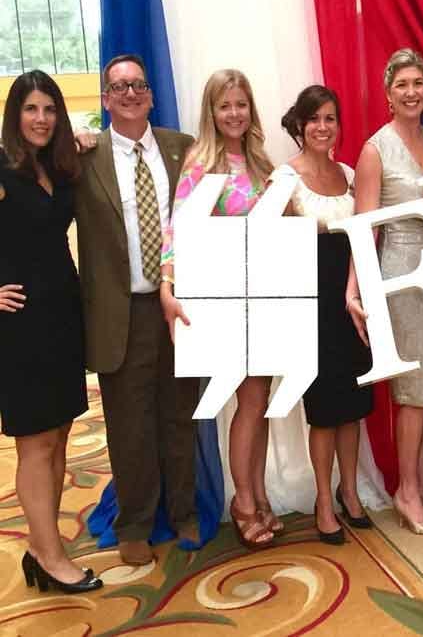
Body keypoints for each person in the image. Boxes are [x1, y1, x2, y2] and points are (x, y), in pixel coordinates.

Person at [74, 55, 200, 565]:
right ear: (106, 98)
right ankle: (135, 523)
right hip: (118, 314)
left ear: (150, 95)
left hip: (177, 309)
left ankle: (186, 512)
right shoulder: (85, 156)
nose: (130, 93)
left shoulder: (182, 148)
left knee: (179, 418)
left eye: (138, 85)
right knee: (129, 427)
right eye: (119, 87)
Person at [159, 69, 276, 548]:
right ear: (211, 112)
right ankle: (243, 502)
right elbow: (175, 232)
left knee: (261, 399)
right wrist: (168, 285)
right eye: (225, 105)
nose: (234, 114)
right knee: (247, 401)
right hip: (225, 299)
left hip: (265, 293)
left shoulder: (261, 162)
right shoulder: (199, 164)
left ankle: (260, 494)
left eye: (241, 104)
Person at [0, 71, 102, 593]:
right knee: (34, 443)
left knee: (59, 435)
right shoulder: (1, 167)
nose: (41, 119)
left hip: (62, 315)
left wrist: (83, 140)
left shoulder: (58, 167)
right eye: (31, 109)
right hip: (19, 325)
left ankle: (44, 548)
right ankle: (50, 554)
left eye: (49, 109)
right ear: (14, 115)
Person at [348, 48, 423, 534]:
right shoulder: (375, 149)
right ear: (388, 94)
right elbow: (364, 227)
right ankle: (405, 490)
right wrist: (355, 289)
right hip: (397, 274)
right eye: (402, 85)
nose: (411, 92)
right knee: (412, 389)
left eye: (418, 83)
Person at [275, 85, 374, 544]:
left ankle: (350, 491)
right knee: (324, 412)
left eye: (330, 118)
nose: (322, 126)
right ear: (300, 124)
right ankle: (321, 499)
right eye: (314, 118)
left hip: (350, 299)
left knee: (353, 408)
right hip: (310, 304)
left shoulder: (351, 174)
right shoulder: (285, 178)